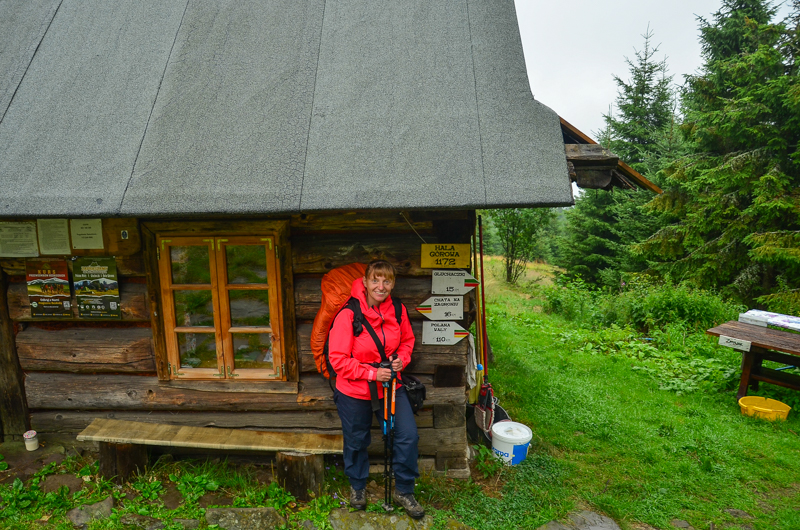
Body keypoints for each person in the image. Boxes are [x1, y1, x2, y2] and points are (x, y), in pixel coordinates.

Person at [328, 259, 425, 519]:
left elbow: (407, 341)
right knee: (357, 441)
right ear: (366, 281)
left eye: (387, 281)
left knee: (407, 436)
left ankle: (404, 490)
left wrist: (401, 360)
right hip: (354, 389)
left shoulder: (398, 309)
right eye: (375, 280)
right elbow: (337, 360)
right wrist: (372, 373)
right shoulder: (348, 314)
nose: (381, 286)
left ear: (393, 283)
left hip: (391, 386)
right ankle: (358, 487)